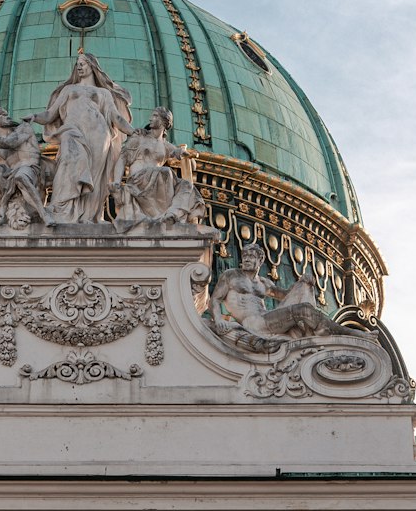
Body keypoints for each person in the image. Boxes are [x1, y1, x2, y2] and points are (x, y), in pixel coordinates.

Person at [32, 52, 133, 223]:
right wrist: (34, 117)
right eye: (77, 63)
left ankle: (91, 216)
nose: (79, 66)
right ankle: (63, 211)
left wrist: (134, 132)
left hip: (99, 135)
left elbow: (117, 118)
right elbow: (50, 115)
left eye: (83, 63)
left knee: (95, 176)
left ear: (93, 66)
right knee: (68, 165)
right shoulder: (69, 89)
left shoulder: (103, 92)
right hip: (72, 132)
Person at [208, 244, 345, 348]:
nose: (246, 259)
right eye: (244, 256)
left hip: (266, 317)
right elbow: (215, 299)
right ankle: (336, 336)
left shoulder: (264, 282)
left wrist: (303, 282)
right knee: (303, 310)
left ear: (260, 260)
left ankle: (316, 333)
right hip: (253, 323)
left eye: (251, 256)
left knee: (304, 291)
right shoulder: (231, 275)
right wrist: (218, 319)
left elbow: (285, 295)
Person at [0, 108, 54, 230]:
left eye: (6, 114)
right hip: (9, 173)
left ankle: (44, 214)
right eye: (2, 115)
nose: (7, 116)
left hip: (29, 167)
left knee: (20, 177)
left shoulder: (23, 128)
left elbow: (10, 143)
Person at [113, 108, 185, 226]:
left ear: (163, 122)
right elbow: (122, 158)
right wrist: (116, 182)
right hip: (138, 180)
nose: (150, 119)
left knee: (185, 186)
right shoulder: (139, 138)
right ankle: (165, 216)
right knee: (166, 172)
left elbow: (178, 153)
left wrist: (185, 154)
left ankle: (172, 214)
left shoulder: (165, 145)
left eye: (155, 116)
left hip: (157, 182)